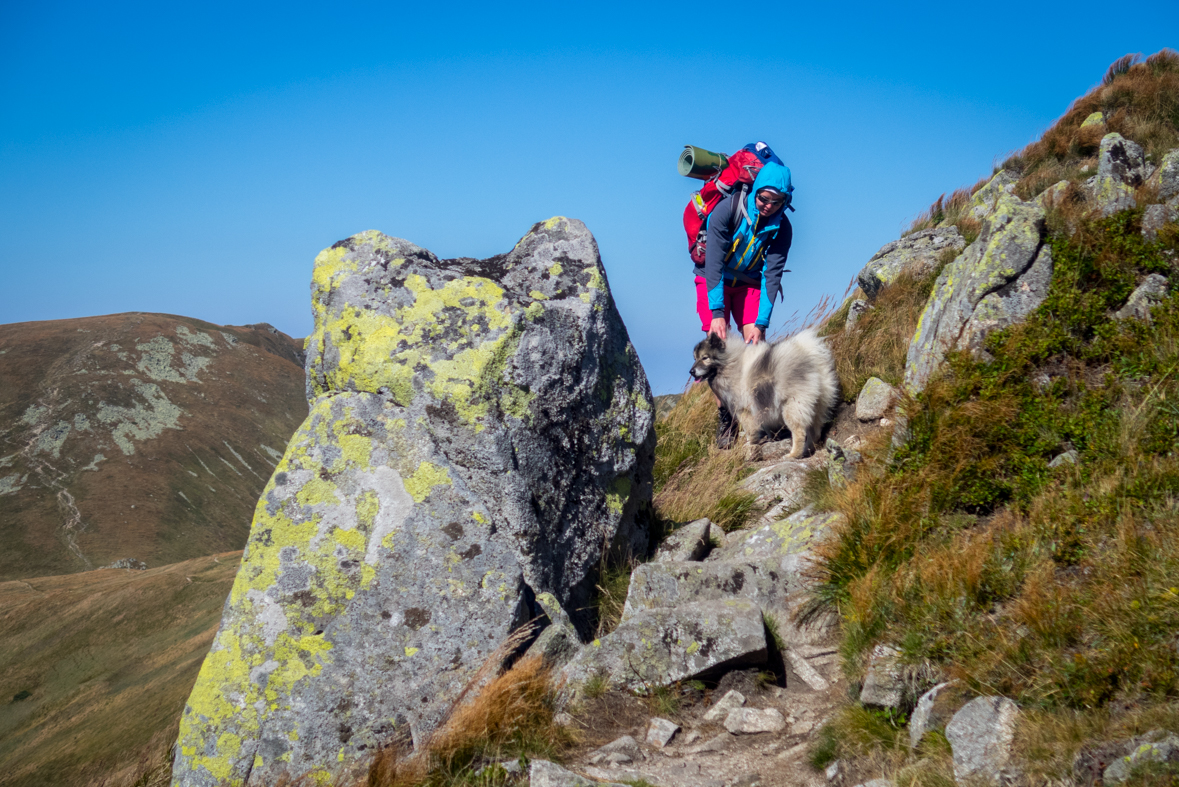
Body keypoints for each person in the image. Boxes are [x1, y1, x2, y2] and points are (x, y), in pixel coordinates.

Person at [695, 160, 793, 448]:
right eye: (764, 198)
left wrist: (760, 324)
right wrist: (717, 313)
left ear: (785, 201)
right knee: (717, 348)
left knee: (757, 348)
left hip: (748, 282)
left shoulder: (782, 228)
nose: (768, 206)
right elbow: (712, 263)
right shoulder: (727, 210)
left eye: (777, 201)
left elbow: (771, 276)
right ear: (756, 192)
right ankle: (726, 419)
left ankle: (763, 416)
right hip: (715, 279)